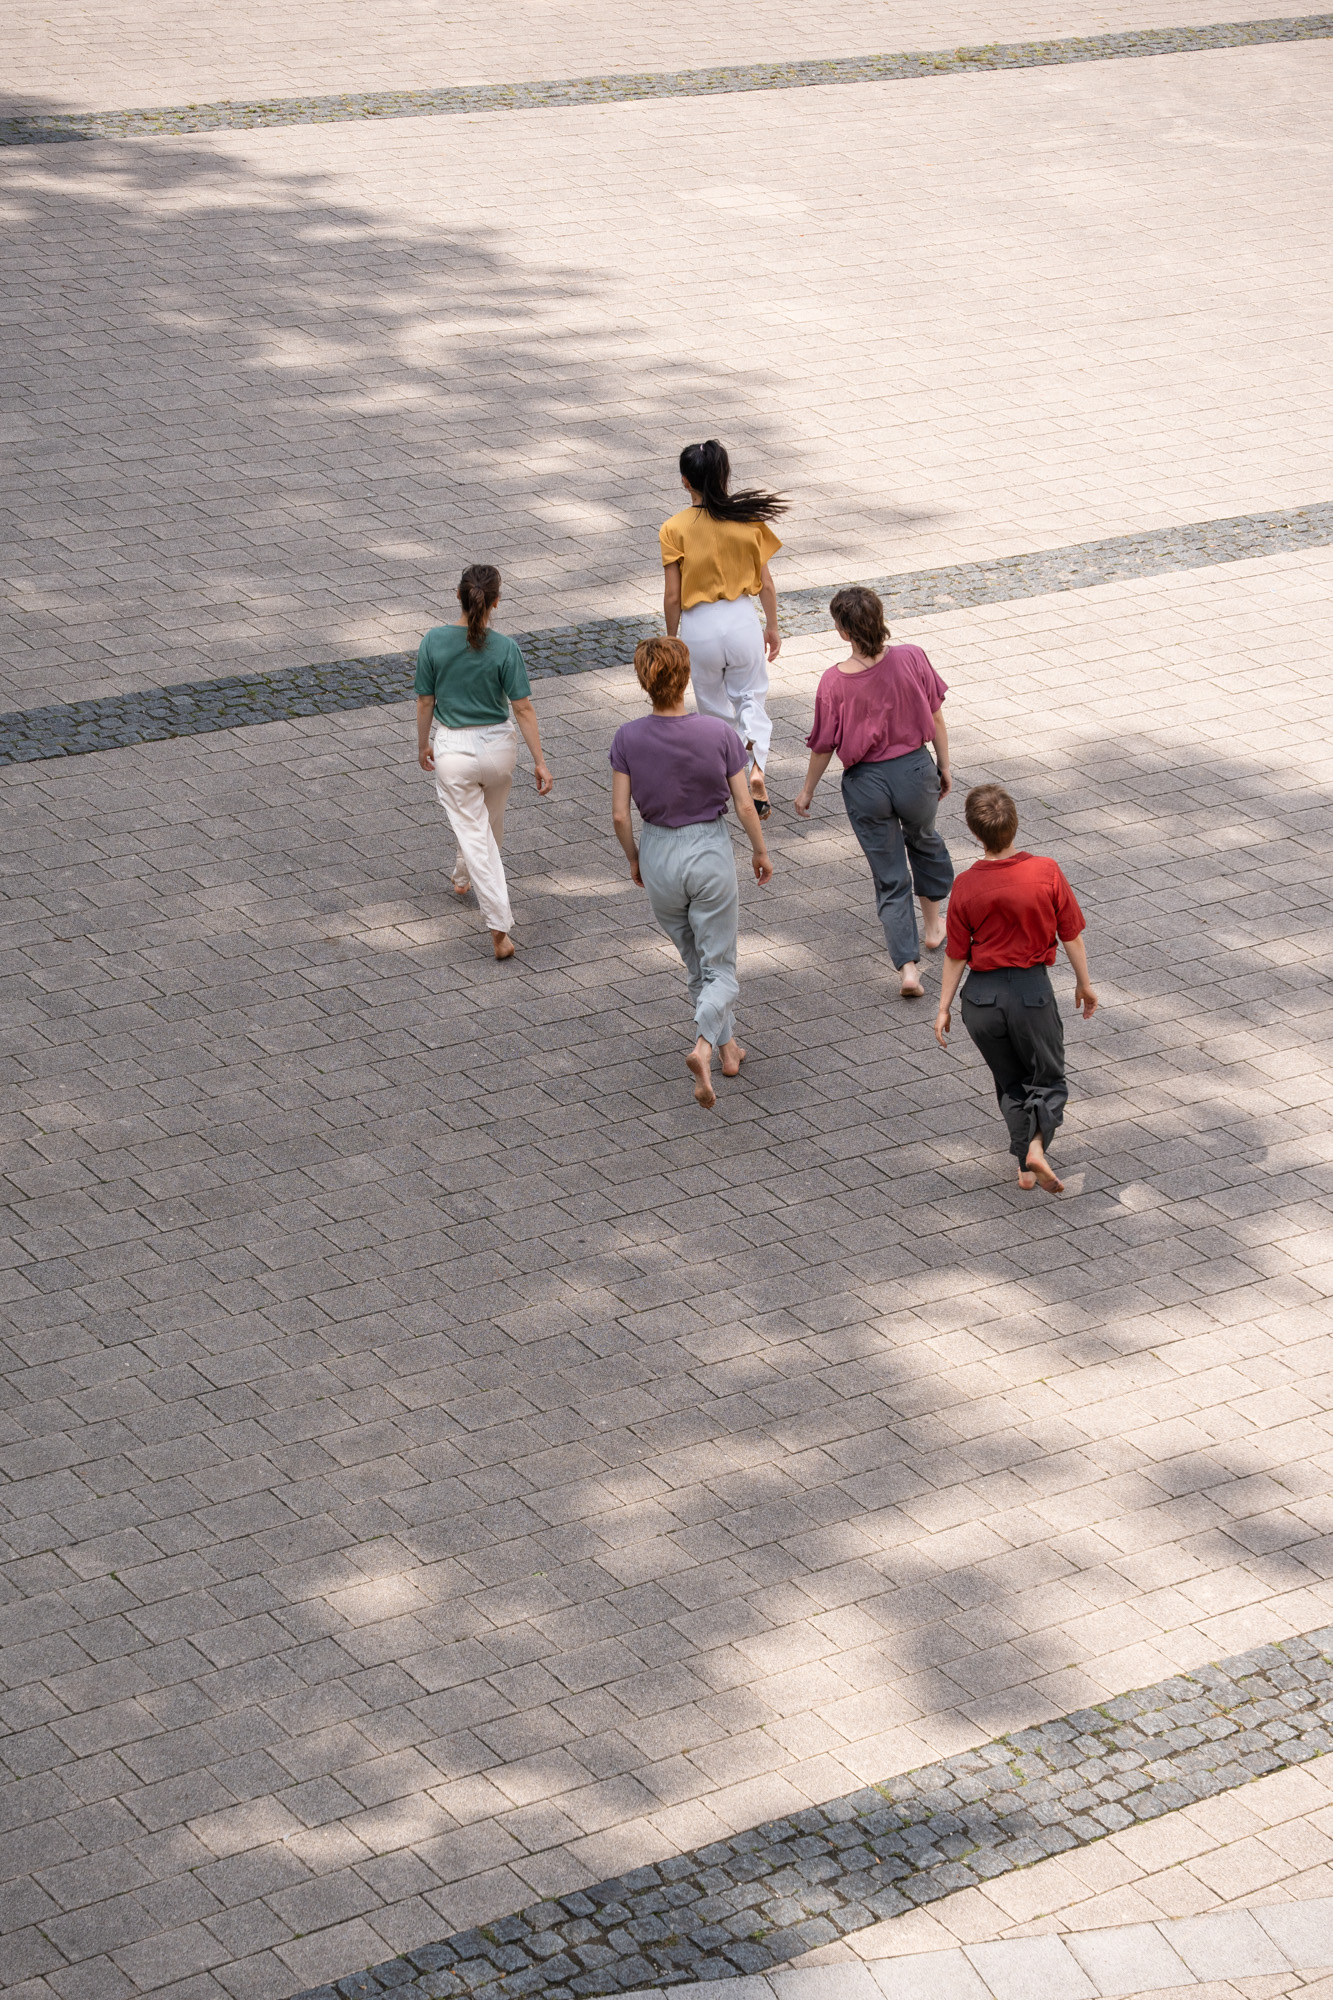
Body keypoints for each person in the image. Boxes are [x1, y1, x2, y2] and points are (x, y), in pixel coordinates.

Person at [611, 636, 774, 1109]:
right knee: (721, 967)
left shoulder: (626, 738)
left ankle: (728, 1051)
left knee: (696, 962)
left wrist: (634, 858)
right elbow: (744, 804)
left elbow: (620, 815)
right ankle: (703, 1047)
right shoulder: (719, 734)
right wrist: (760, 850)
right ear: (685, 678)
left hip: (658, 850)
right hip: (708, 849)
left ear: (644, 681)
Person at [934, 784, 1098, 1194]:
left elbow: (956, 953)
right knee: (1049, 1080)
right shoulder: (1046, 871)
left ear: (975, 833)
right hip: (1030, 993)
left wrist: (944, 1007)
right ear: (1015, 824)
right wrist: (1084, 983)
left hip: (980, 1001)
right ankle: (1036, 1147)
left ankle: (1025, 1169)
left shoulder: (965, 884)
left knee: (1010, 1082)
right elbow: (1071, 934)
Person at [794, 585, 954, 998]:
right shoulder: (912, 657)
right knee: (924, 840)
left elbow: (823, 746)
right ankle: (933, 927)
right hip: (915, 771)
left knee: (889, 874)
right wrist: (944, 765)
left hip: (866, 783)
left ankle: (908, 969)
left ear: (843, 631)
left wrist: (807, 791)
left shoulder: (833, 681)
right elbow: (936, 716)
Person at [415, 564, 553, 960]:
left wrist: (423, 745)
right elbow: (523, 708)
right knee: (488, 824)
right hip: (498, 751)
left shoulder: (433, 641)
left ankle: (498, 927)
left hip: (454, 751)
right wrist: (540, 761)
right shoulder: (506, 648)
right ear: (496, 602)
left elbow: (425, 701)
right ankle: (463, 877)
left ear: (457, 596)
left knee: (478, 837)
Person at [660, 440, 786, 819]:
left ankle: (734, 782)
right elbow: (766, 584)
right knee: (751, 697)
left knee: (714, 709)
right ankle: (757, 766)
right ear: (723, 474)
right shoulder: (748, 521)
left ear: (685, 481)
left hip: (699, 626)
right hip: (741, 620)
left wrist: (672, 638)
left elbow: (672, 596)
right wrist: (772, 626)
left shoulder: (673, 528)